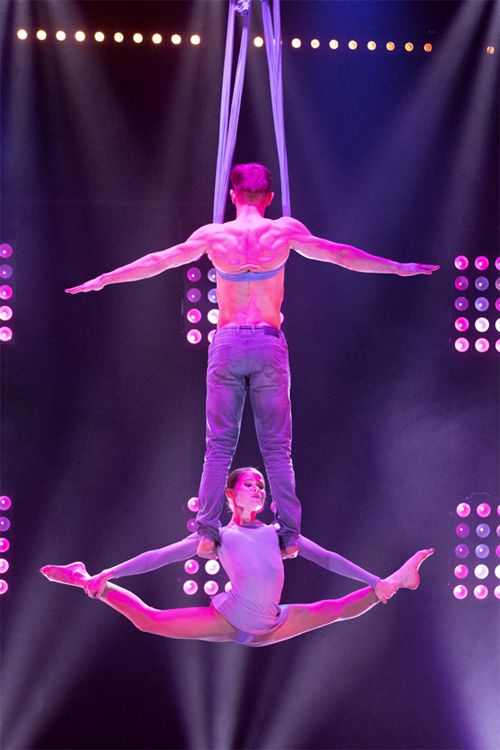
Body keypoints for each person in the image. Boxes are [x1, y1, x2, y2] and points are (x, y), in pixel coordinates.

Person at [65, 163, 440, 560]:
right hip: (267, 343)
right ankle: (291, 537)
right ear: (270, 199)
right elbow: (342, 256)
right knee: (277, 450)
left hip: (227, 344)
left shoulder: (215, 236)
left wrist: (105, 277)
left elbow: (158, 261)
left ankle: (207, 533)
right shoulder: (283, 232)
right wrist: (398, 267)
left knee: (218, 449)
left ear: (232, 196)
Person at [40, 467, 434, 648]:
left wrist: (371, 580)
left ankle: (391, 583)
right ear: (230, 494)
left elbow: (328, 558)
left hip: (272, 624)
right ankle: (86, 579)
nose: (259, 490)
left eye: (262, 485)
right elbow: (158, 556)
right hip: (228, 619)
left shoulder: (279, 535)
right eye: (250, 485)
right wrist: (111, 570)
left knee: (336, 608)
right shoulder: (219, 536)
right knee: (149, 621)